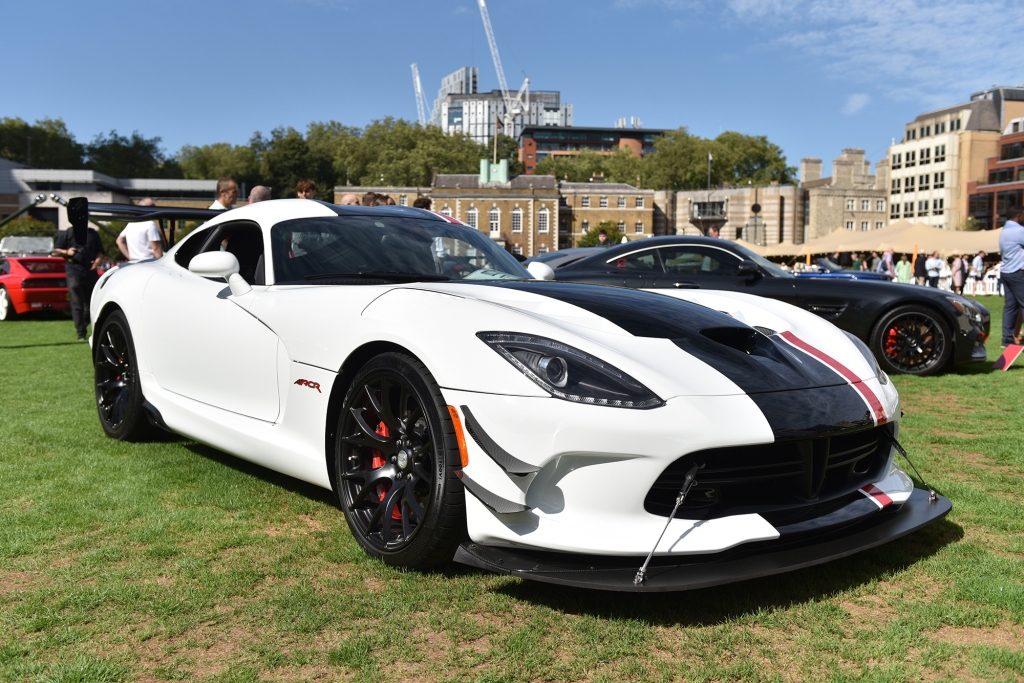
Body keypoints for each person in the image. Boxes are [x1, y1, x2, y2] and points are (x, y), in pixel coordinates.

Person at [54, 216, 105, 341]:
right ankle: (81, 333)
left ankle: (84, 324)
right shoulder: (67, 234)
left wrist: (97, 263)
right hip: (74, 272)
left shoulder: (93, 234)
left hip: (90, 272)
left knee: (92, 304)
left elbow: (100, 251)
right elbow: (55, 251)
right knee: (77, 305)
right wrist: (67, 252)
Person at [998, 205, 1024, 346]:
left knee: (1010, 306)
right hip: (1018, 273)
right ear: (1019, 216)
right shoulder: (1019, 231)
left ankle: (1007, 339)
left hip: (1007, 272)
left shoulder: (1004, 231)